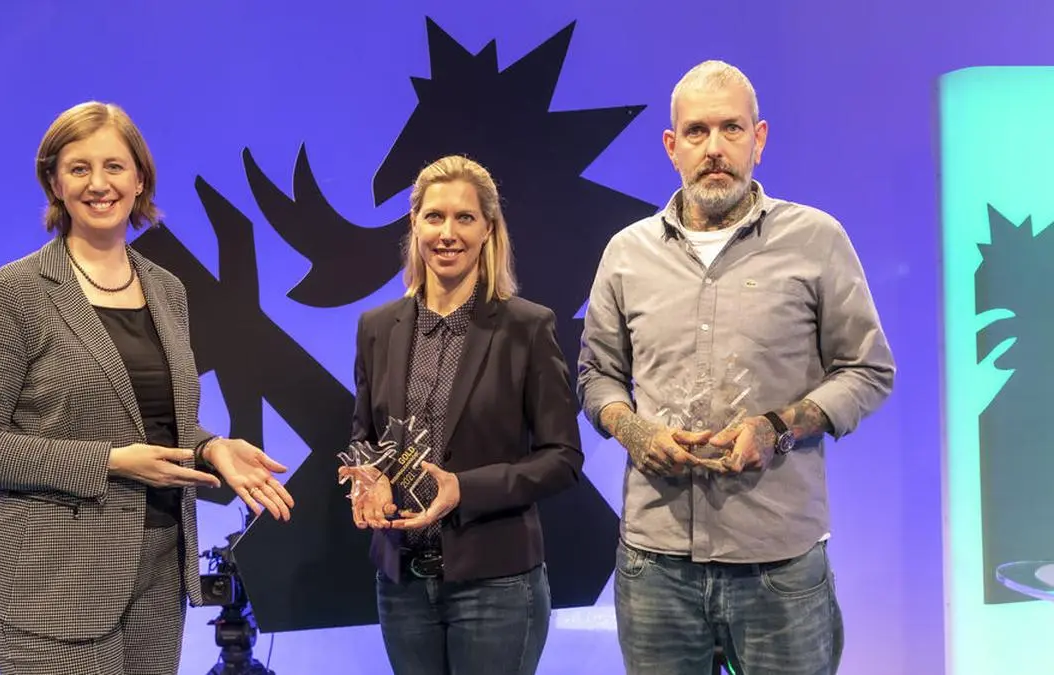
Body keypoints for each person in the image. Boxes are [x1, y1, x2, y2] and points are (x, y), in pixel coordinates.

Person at [0, 101, 295, 675]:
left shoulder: (166, 289)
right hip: (49, 583)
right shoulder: (14, 292)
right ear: (54, 182)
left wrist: (209, 448)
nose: (98, 184)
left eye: (114, 167)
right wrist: (110, 462)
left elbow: (151, 423)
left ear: (140, 178)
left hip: (157, 571)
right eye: (79, 169)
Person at [577, 60, 895, 675]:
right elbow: (596, 375)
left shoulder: (817, 239)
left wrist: (779, 426)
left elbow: (867, 369)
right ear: (672, 147)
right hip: (655, 564)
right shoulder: (626, 253)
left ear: (760, 139)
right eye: (696, 132)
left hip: (778, 561)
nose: (714, 148)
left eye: (731, 129)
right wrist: (634, 431)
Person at [342, 155, 583, 675]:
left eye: (464, 218)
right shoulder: (376, 327)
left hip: (496, 586)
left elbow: (561, 458)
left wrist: (463, 489)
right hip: (401, 583)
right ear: (414, 224)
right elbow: (364, 433)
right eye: (434, 217)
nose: (447, 233)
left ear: (488, 229)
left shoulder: (527, 327)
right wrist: (369, 479)